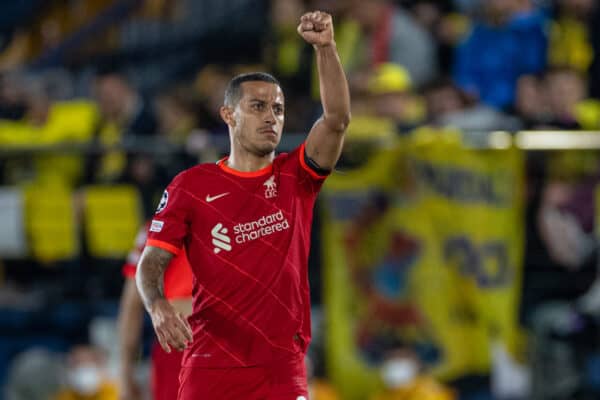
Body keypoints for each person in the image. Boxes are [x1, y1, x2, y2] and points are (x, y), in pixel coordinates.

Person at [136, 10, 350, 400]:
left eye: (278, 109)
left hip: (281, 367)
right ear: (228, 115)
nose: (271, 117)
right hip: (210, 366)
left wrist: (326, 49)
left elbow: (336, 120)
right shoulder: (192, 186)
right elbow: (150, 262)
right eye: (257, 107)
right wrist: (157, 306)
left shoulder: (296, 177)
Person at [117, 221, 193, 400]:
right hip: (179, 347)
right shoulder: (157, 229)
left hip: (234, 347)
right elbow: (131, 306)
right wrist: (125, 374)